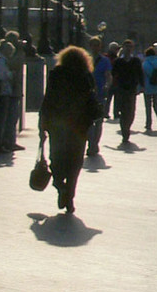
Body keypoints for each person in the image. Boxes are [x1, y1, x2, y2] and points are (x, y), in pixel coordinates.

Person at [39, 45, 100, 215]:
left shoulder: (56, 74)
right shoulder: (86, 76)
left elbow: (48, 98)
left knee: (56, 158)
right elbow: (91, 99)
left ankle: (60, 186)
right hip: (79, 125)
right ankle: (70, 194)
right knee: (75, 161)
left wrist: (42, 122)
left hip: (57, 123)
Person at [110, 40, 144, 142]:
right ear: (123, 48)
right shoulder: (118, 61)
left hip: (132, 89)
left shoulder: (136, 61)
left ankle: (127, 127)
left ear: (132, 48)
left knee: (131, 111)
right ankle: (125, 131)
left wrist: (142, 85)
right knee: (122, 111)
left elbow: (140, 73)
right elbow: (112, 74)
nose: (128, 49)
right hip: (121, 89)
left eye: (130, 47)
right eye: (126, 47)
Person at [87, 36, 112, 156]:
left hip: (100, 94)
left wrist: (107, 85)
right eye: (93, 45)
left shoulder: (105, 60)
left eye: (97, 45)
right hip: (87, 93)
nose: (95, 48)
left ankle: (95, 143)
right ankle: (91, 143)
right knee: (88, 120)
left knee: (99, 121)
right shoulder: (85, 59)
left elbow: (108, 75)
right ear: (90, 46)